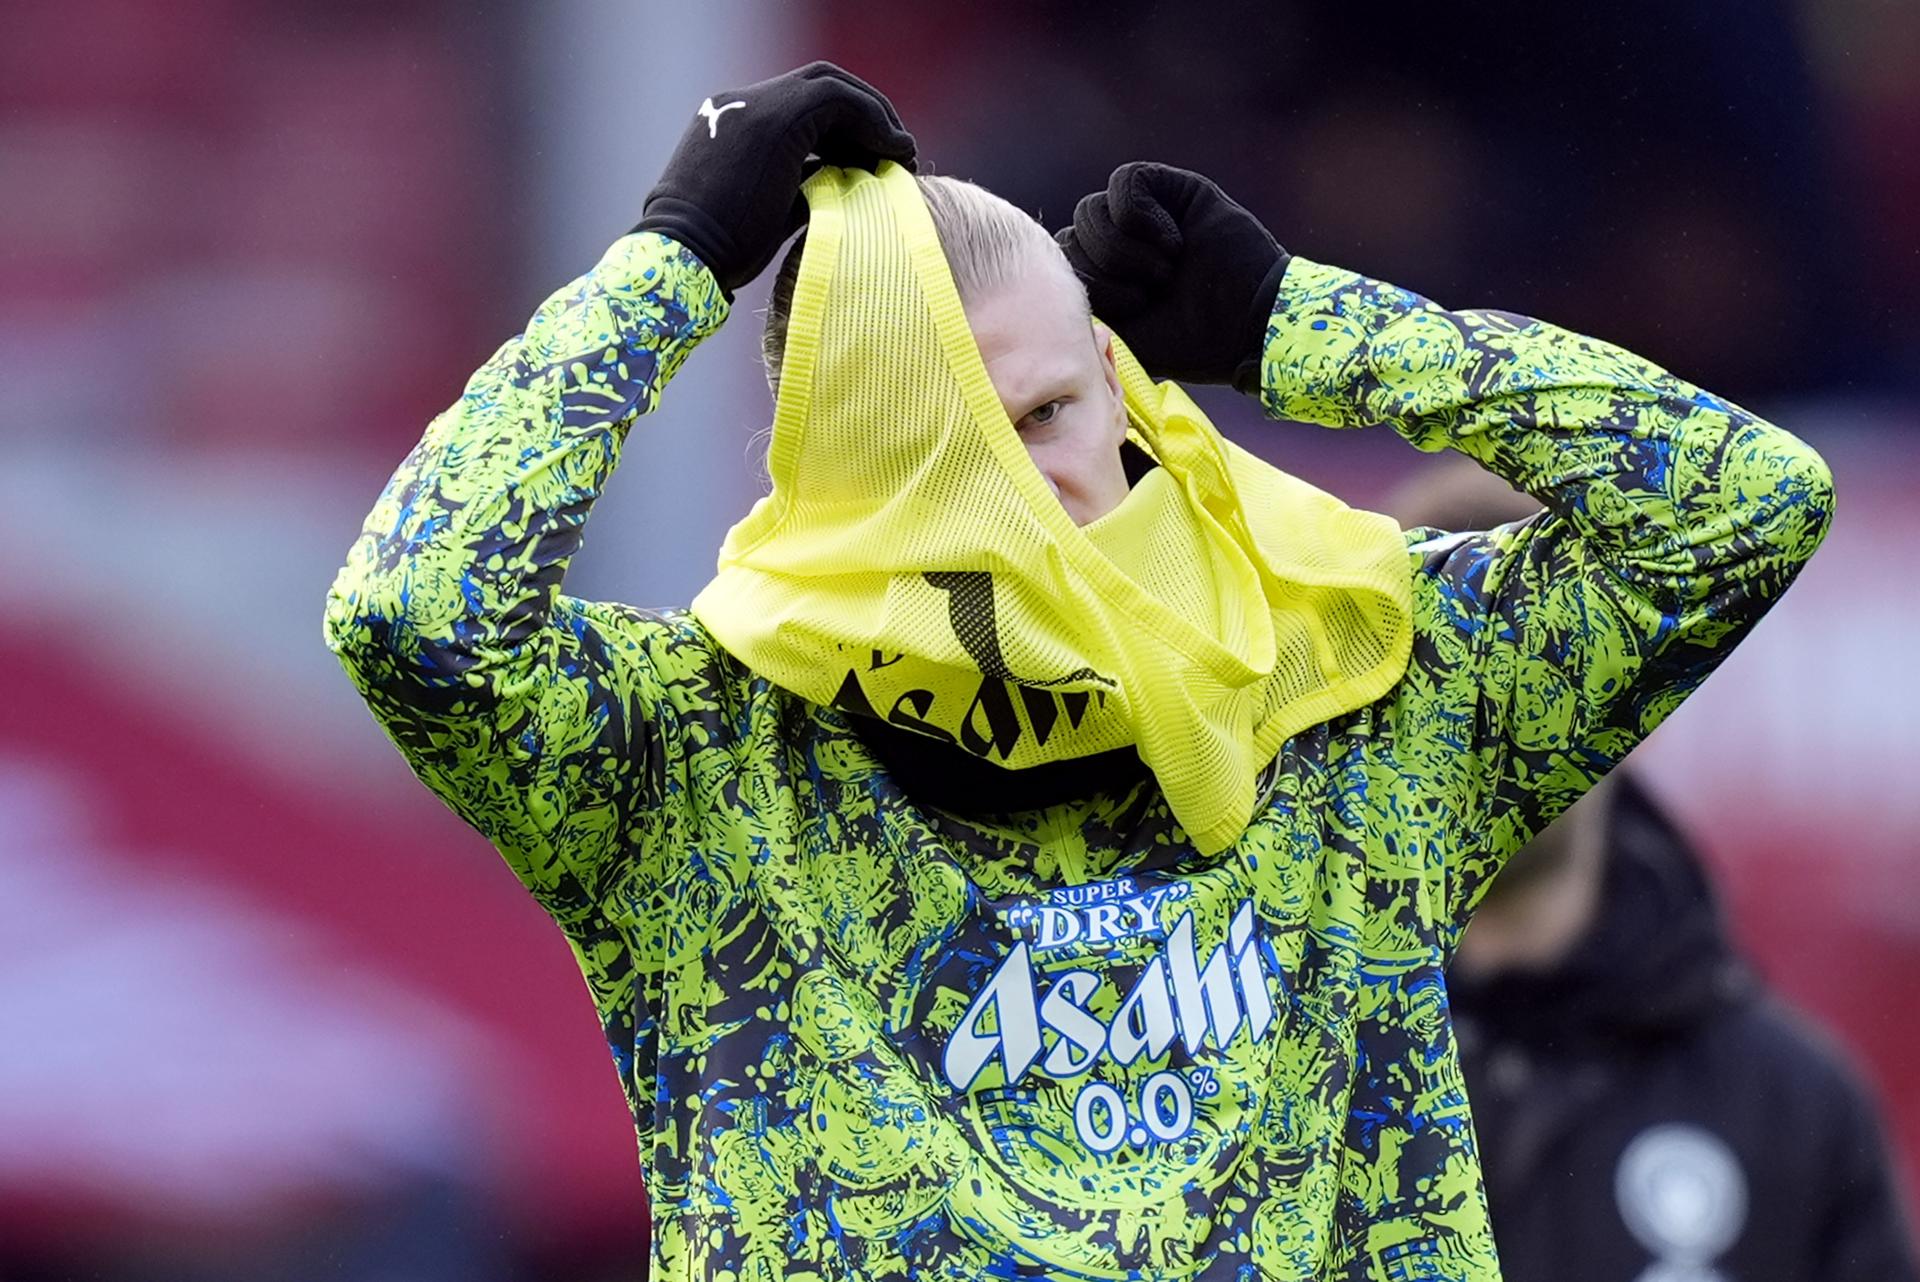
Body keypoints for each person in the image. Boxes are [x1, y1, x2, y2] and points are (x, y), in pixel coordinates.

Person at [323, 62, 1835, 1280]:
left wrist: (1298, 324)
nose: (1017, 492)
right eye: (942, 449)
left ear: (1119, 394)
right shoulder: (694, 760)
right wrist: (668, 264)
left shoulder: (1349, 679)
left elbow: (1743, 504)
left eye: (1044, 414)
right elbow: (409, 617)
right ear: (829, 477)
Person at [1386, 461, 1918, 1282]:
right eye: (1440, 692)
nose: (1486, 738)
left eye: (1530, 687)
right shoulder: (1282, 1080)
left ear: (1632, 706)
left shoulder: (1793, 1113)